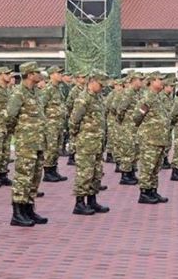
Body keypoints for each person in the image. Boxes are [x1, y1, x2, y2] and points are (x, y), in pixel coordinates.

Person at [7, 62, 48, 227]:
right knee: (23, 177)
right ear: (29, 74)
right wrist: (20, 133)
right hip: (26, 143)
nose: (40, 75)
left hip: (38, 142)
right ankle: (17, 213)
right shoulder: (19, 93)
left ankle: (29, 209)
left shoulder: (35, 93)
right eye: (37, 72)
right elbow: (10, 117)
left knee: (35, 177)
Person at [70, 71, 110, 214]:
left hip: (98, 142)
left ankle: (92, 200)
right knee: (85, 173)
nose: (102, 88)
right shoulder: (83, 99)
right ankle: (79, 203)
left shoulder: (98, 98)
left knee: (96, 173)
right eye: (100, 84)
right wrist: (78, 137)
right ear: (92, 81)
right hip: (86, 142)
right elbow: (74, 121)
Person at [133, 72, 171, 204]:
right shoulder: (147, 98)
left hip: (159, 139)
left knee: (155, 167)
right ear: (152, 81)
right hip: (150, 139)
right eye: (159, 80)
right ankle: (144, 193)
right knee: (148, 167)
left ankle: (152, 191)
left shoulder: (157, 97)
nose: (162, 82)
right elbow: (137, 116)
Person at [114, 72, 143, 185]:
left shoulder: (137, 93)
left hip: (135, 127)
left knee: (134, 151)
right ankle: (125, 175)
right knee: (127, 151)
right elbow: (120, 110)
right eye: (139, 80)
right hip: (128, 127)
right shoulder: (128, 93)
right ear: (133, 80)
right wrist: (123, 122)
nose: (141, 82)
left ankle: (131, 173)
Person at [41, 65, 68, 182]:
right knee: (50, 148)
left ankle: (53, 170)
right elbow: (41, 106)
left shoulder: (58, 89)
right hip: (50, 124)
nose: (60, 75)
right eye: (58, 73)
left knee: (57, 148)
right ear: (51, 75)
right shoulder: (48, 89)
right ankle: (48, 172)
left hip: (58, 124)